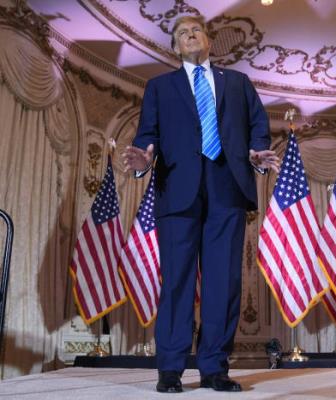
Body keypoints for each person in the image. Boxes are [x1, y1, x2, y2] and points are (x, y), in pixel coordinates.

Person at [122, 15, 280, 393]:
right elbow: (147, 134)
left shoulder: (238, 82)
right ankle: (170, 369)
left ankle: (214, 368)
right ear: (175, 47)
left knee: (223, 282)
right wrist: (143, 161)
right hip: (177, 190)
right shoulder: (159, 86)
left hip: (227, 187)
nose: (190, 35)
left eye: (196, 30)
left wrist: (257, 152)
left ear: (208, 40)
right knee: (177, 281)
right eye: (182, 33)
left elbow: (258, 125)